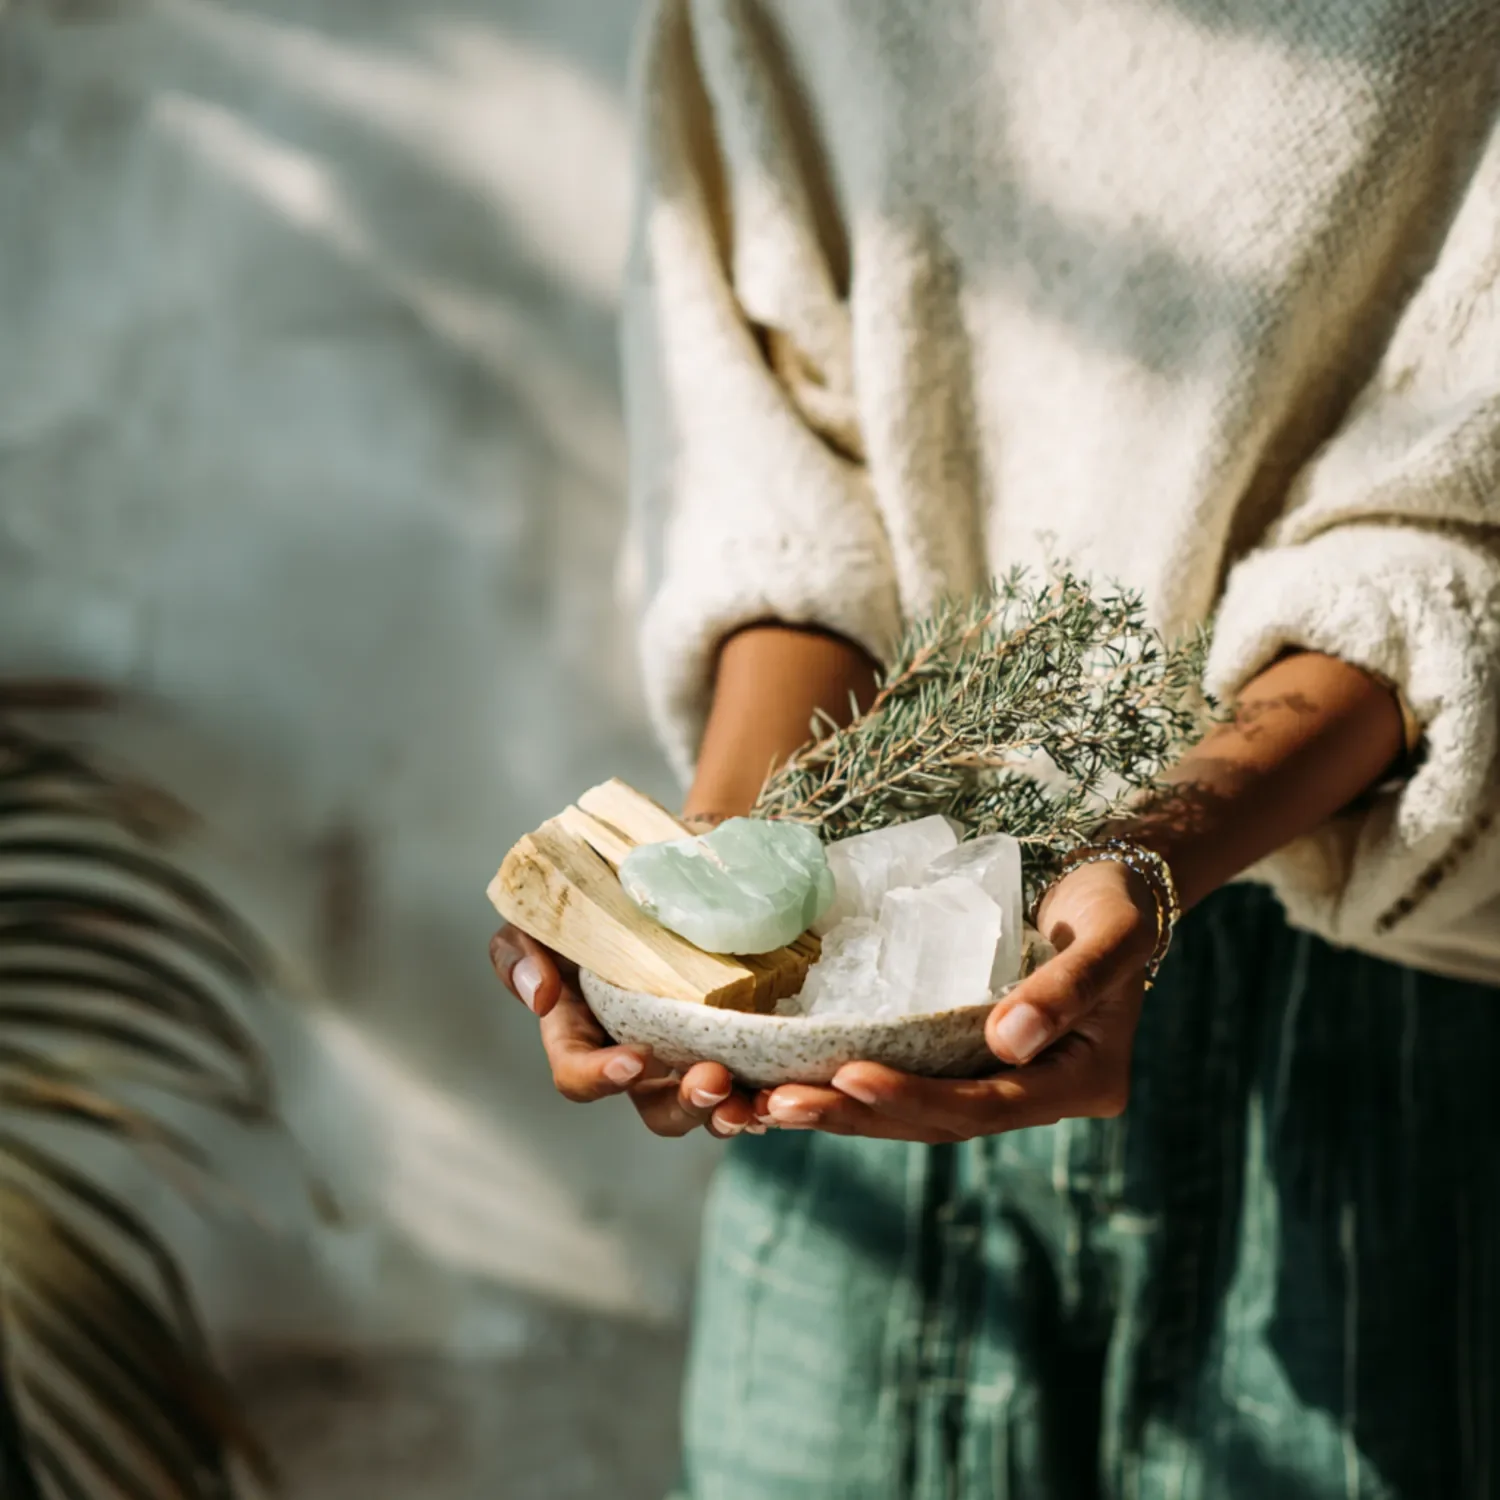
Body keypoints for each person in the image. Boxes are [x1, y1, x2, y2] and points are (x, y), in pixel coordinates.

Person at [492, 1, 1500, 1494]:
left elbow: (1457, 519)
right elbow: (782, 473)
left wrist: (1151, 854)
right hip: (863, 1010)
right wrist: (699, 922)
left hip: (1361, 988)